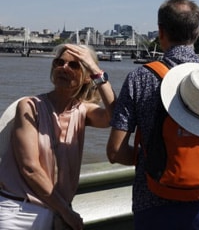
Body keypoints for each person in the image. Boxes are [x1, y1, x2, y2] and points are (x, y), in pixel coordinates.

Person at [106, 0, 199, 230]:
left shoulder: (139, 78)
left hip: (152, 202)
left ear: (160, 32)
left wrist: (153, 158)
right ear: (198, 33)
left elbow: (114, 151)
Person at [0, 44, 115, 230]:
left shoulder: (83, 111)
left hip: (55, 213)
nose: (64, 68)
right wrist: (66, 211)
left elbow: (115, 118)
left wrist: (97, 72)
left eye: (74, 65)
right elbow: (30, 168)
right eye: (59, 62)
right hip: (18, 211)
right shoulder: (29, 107)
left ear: (87, 78)